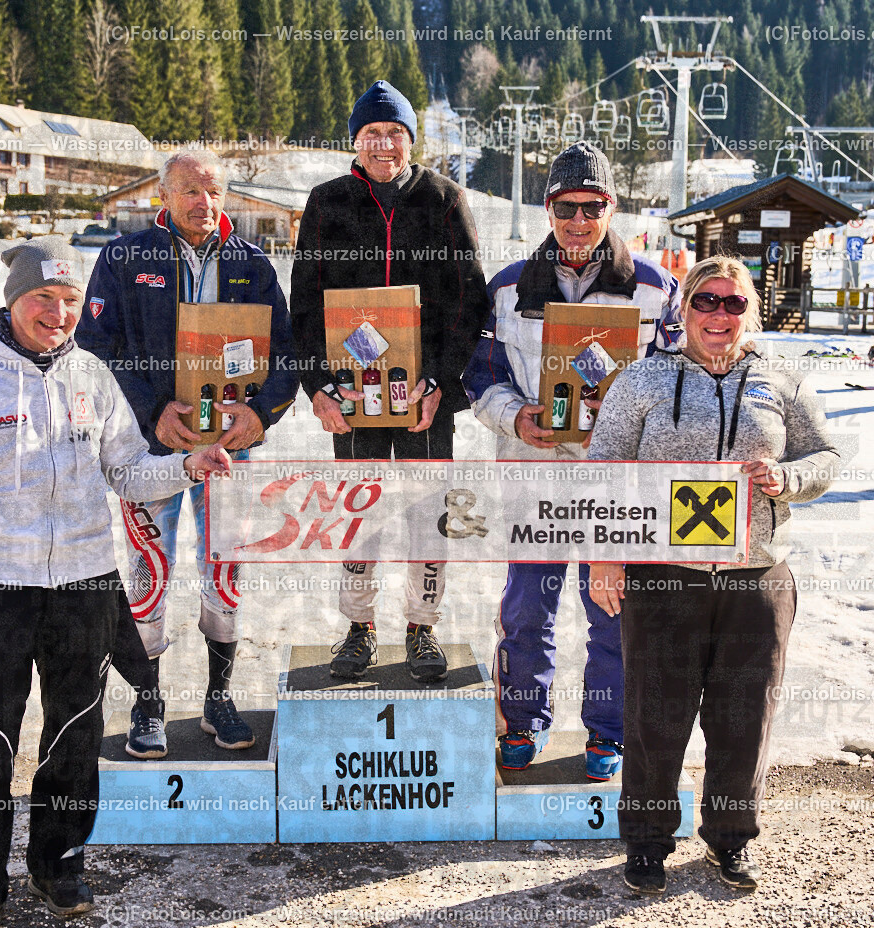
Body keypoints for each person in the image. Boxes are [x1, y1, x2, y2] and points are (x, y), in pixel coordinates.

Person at [0, 239, 231, 928]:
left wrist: (187, 466)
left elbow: (129, 473)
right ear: (12, 301)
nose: (56, 314)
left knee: (74, 737)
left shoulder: (92, 377)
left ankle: (59, 864)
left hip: (84, 585)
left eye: (68, 301)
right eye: (41, 300)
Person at [587, 256, 839, 894]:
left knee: (743, 716)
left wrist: (791, 478)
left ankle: (731, 838)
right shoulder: (644, 377)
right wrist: (605, 557)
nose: (719, 315)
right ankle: (646, 843)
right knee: (655, 717)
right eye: (706, 302)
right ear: (684, 309)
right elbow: (604, 468)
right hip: (665, 577)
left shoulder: (780, 381)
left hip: (757, 577)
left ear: (750, 310)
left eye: (733, 303)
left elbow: (828, 456)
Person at [462, 141, 682, 779]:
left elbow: (673, 381)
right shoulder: (509, 286)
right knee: (527, 604)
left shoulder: (655, 288)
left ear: (611, 208)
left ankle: (608, 732)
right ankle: (523, 723)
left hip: (615, 479)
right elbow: (481, 377)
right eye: (565, 207)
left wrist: (634, 430)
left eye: (592, 206)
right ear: (549, 208)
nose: (578, 220)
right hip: (533, 472)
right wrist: (516, 417)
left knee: (608, 603)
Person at [76, 150, 299, 758]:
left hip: (229, 455)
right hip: (151, 450)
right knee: (149, 577)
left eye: (215, 192)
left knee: (226, 575)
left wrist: (260, 414)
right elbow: (94, 348)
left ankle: (218, 698)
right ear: (165, 197)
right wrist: (153, 410)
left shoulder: (252, 264)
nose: (205, 203)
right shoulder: (125, 258)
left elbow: (288, 355)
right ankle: (149, 702)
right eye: (191, 192)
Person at [290, 80, 489, 683]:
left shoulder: (444, 198)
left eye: (394, 133)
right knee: (360, 511)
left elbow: (469, 300)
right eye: (371, 134)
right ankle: (359, 625)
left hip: (425, 396)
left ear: (411, 139)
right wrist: (319, 388)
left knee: (429, 512)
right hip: (353, 397)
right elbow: (305, 305)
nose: (383, 144)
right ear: (355, 140)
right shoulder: (327, 203)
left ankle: (423, 627)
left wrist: (441, 385)